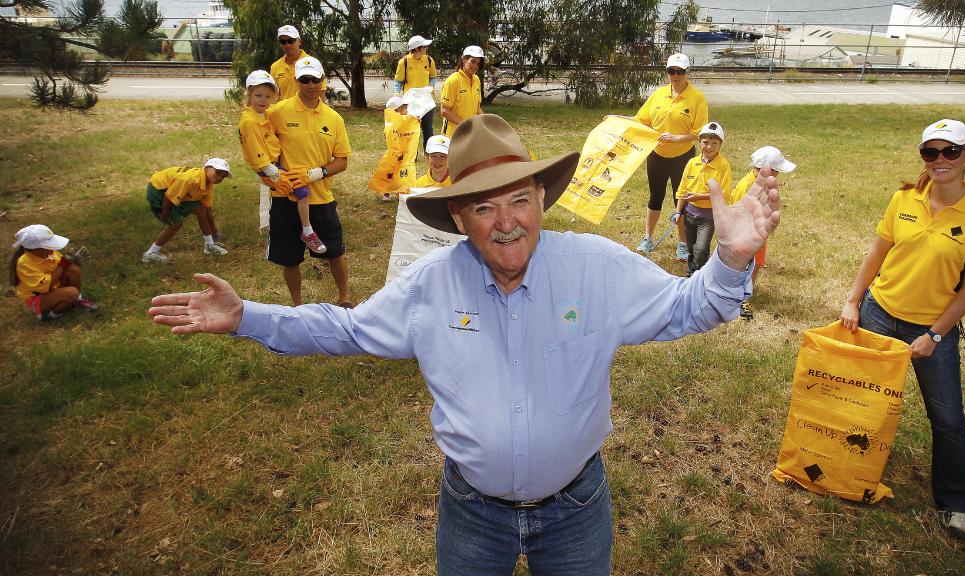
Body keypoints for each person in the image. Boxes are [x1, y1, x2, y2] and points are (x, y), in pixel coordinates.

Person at [149, 114, 782, 575]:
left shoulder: (597, 268)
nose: (506, 222)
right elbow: (345, 330)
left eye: (518, 201)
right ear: (458, 218)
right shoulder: (430, 285)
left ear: (542, 199)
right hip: (472, 513)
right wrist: (247, 318)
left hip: (577, 507)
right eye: (484, 208)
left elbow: (690, 306)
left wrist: (728, 260)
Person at [839, 119, 965, 540]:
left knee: (947, 417)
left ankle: (956, 504)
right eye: (930, 152)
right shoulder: (904, 199)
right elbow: (875, 255)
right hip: (879, 311)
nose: (940, 160)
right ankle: (852, 472)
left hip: (932, 329)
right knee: (864, 402)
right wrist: (854, 301)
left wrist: (935, 335)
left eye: (950, 151)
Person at [266, 56, 353, 307]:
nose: (310, 84)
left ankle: (344, 299)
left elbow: (342, 161)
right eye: (304, 80)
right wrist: (275, 176)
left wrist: (314, 174)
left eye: (315, 79)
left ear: (323, 81)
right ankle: (297, 305)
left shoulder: (334, 118)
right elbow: (257, 144)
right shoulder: (277, 113)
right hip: (285, 198)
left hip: (321, 198)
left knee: (335, 252)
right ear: (296, 81)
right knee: (290, 258)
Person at [238, 70, 326, 253]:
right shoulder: (250, 121)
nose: (263, 100)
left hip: (273, 165)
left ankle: (296, 229)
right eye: (258, 95)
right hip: (269, 167)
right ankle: (307, 231)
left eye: (268, 96)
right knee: (302, 192)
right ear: (248, 94)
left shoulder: (261, 114)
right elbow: (256, 151)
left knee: (295, 194)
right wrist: (273, 173)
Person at [630, 53, 708, 255]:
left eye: (680, 71)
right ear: (667, 73)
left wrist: (676, 138)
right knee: (655, 196)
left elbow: (700, 132)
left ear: (688, 72)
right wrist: (616, 120)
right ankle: (648, 238)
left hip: (683, 157)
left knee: (680, 199)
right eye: (672, 71)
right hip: (656, 155)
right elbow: (640, 120)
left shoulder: (697, 98)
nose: (676, 75)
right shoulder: (659, 94)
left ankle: (682, 243)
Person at [727, 145, 796, 319]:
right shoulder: (748, 186)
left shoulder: (764, 183)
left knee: (756, 263)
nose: (778, 175)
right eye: (776, 171)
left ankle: (745, 294)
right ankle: (736, 298)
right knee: (743, 266)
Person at [142, 158, 231, 263]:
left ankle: (209, 246)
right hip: (158, 190)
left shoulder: (208, 185)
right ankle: (150, 254)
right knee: (176, 224)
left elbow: (208, 210)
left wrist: (214, 232)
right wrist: (165, 214)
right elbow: (168, 197)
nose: (220, 177)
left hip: (175, 191)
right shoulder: (190, 180)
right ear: (207, 168)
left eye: (223, 176)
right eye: (218, 172)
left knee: (201, 210)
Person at [670, 121, 731, 275]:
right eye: (705, 142)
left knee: (701, 248)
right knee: (691, 249)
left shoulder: (723, 166)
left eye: (714, 143)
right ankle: (693, 273)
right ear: (699, 142)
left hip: (709, 217)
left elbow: (723, 194)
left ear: (720, 145)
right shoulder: (692, 163)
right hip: (690, 215)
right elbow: (682, 189)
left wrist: (699, 196)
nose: (709, 147)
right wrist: (678, 212)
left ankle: (695, 276)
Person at [10, 224, 97, 320]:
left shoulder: (48, 253)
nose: (53, 248)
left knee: (73, 269)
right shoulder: (24, 263)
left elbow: (64, 269)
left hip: (53, 288)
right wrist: (64, 263)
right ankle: (49, 315)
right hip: (38, 297)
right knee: (72, 293)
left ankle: (75, 301)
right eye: (49, 246)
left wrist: (76, 262)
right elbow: (44, 287)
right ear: (36, 250)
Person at [394, 35, 438, 153]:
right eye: (424, 46)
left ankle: (429, 154)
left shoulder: (429, 60)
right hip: (410, 102)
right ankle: (411, 155)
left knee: (428, 129)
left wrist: (431, 87)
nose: (426, 48)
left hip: (427, 100)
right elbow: (398, 81)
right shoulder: (404, 62)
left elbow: (433, 77)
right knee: (412, 129)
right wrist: (396, 94)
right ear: (417, 48)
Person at [270, 25, 326, 101]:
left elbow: (321, 93)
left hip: (307, 111)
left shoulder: (313, 64)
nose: (287, 45)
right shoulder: (275, 67)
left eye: (291, 41)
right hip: (284, 111)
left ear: (299, 41)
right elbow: (274, 95)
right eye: (283, 42)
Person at [440, 45, 484, 137]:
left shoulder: (476, 80)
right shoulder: (453, 80)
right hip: (453, 135)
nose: (476, 66)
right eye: (473, 62)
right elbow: (444, 111)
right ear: (464, 59)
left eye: (478, 63)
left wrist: (484, 123)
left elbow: (477, 108)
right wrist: (465, 125)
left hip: (469, 133)